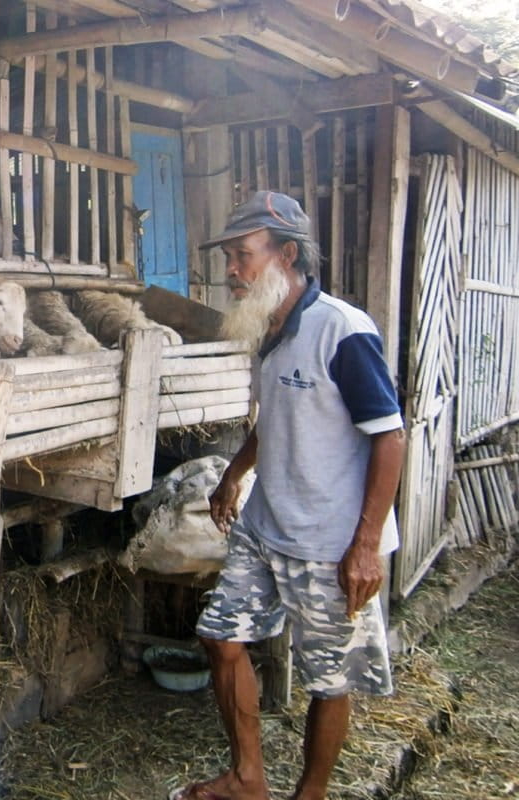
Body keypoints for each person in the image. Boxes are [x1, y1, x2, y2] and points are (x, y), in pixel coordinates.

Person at [170, 191, 406, 800]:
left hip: (330, 540)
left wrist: (365, 545)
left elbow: (390, 438)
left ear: (287, 254)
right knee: (221, 637)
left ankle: (311, 795)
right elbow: (274, 419)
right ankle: (249, 778)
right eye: (228, 256)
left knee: (329, 679)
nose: (231, 270)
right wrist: (233, 476)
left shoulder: (344, 331)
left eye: (241, 255)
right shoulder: (268, 327)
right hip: (267, 523)